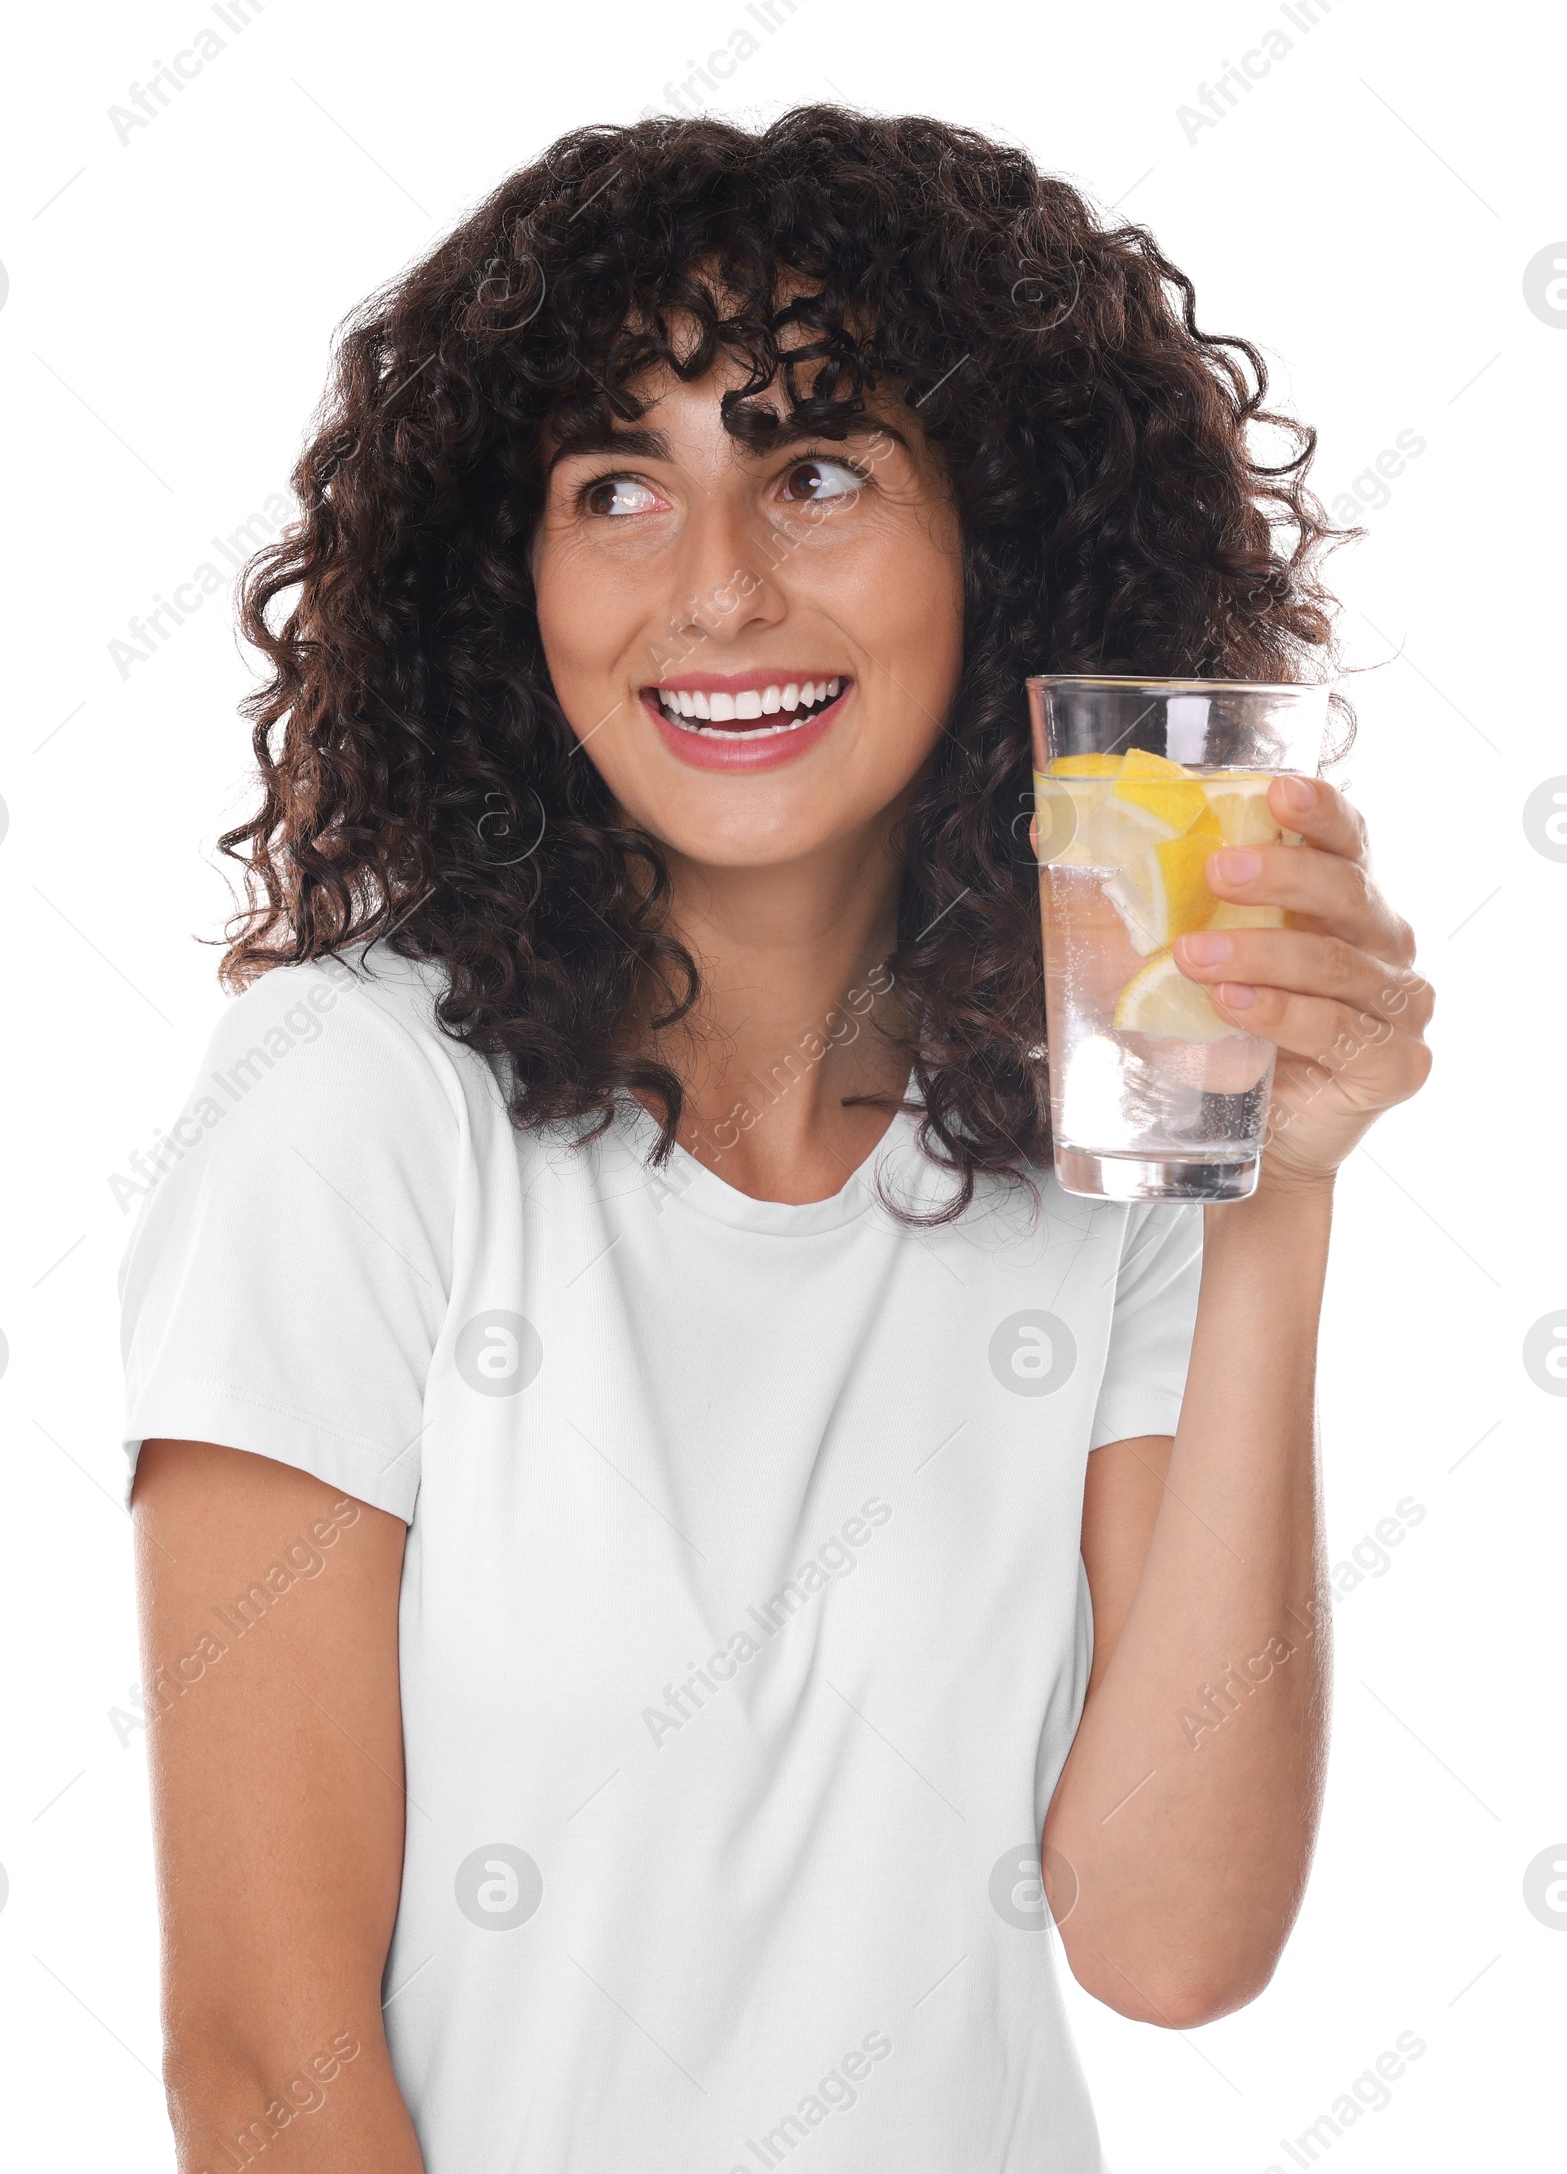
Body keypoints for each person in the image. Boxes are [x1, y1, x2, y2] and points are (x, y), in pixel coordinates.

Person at [120, 105, 1432, 2174]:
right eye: (616, 486)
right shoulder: (353, 1106)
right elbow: (259, 2059)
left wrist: (1274, 1192)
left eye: (812, 471)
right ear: (509, 576)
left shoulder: (1114, 1119)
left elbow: (1169, 1943)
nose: (714, 589)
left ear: (990, 539)